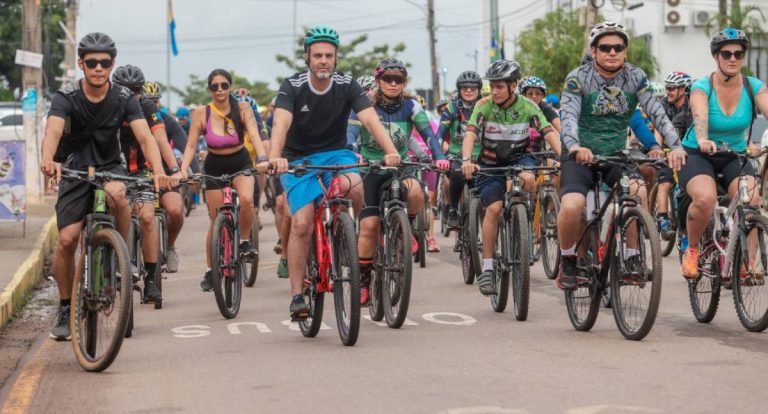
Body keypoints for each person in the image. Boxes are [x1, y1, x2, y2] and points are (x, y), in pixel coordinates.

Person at [40, 32, 173, 340]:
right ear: (81, 64)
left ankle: (119, 252)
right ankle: (64, 307)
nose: (98, 68)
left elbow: (145, 137)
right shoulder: (66, 97)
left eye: (105, 62)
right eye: (92, 62)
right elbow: (52, 133)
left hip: (111, 167)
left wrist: (159, 171)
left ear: (112, 64)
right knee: (67, 240)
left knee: (117, 196)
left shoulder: (124, 98)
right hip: (75, 170)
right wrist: (48, 160)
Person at [269, 26, 401, 320]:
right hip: (297, 158)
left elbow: (370, 120)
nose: (324, 60)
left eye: (329, 55)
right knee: (302, 223)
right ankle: (297, 296)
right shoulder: (292, 85)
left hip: (335, 154)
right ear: (307, 57)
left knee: (354, 185)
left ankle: (346, 236)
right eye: (318, 55)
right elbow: (280, 124)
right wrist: (275, 158)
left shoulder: (347, 84)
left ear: (336, 58)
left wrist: (391, 151)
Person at [556, 21, 686, 289]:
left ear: (625, 52)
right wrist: (574, 146)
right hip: (580, 154)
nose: (612, 52)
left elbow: (657, 113)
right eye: (605, 47)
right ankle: (568, 259)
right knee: (572, 206)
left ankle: (631, 258)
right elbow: (567, 117)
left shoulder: (635, 77)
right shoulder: (577, 78)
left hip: (616, 154)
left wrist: (674, 145)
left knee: (637, 192)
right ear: (594, 51)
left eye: (618, 47)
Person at [347, 58, 448, 303]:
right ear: (378, 80)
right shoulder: (363, 104)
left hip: (400, 168)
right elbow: (350, 132)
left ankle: (407, 230)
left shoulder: (411, 106)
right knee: (369, 226)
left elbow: (429, 134)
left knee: (415, 193)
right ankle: (362, 279)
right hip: (371, 169)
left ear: (404, 83)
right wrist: (352, 151)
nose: (393, 84)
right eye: (387, 79)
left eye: (398, 80)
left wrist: (440, 156)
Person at [461, 59, 561, 295]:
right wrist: (466, 160)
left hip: (521, 158)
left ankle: (520, 226)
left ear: (513, 86)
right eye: (492, 86)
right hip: (490, 162)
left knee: (526, 180)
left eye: (499, 86)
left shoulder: (528, 106)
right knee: (494, 209)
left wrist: (565, 156)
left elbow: (548, 132)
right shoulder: (483, 105)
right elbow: (470, 134)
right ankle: (487, 268)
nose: (493, 91)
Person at [679, 28, 768, 278]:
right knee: (705, 199)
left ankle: (747, 265)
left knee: (751, 202)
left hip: (734, 156)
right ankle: (693, 251)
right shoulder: (702, 86)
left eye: (738, 54)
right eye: (726, 53)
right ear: (716, 57)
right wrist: (704, 138)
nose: (733, 59)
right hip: (699, 153)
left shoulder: (753, 87)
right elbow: (699, 114)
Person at [179, 69, 269, 291]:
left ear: (230, 86)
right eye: (214, 86)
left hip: (240, 162)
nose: (219, 90)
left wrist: (264, 158)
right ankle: (211, 270)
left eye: (224, 85)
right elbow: (191, 145)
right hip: (214, 165)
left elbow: (255, 135)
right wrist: (182, 170)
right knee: (214, 219)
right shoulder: (201, 113)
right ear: (209, 89)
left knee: (247, 200)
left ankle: (245, 242)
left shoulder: (243, 108)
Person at [110, 67, 183, 305]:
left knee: (149, 218)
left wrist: (172, 171)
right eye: (127, 90)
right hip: (110, 171)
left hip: (142, 172)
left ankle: (151, 279)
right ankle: (103, 270)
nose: (132, 94)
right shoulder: (106, 105)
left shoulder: (149, 108)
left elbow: (160, 140)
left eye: (136, 90)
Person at [436, 70, 483, 229]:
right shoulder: (452, 107)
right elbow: (440, 134)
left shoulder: (487, 105)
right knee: (456, 173)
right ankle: (454, 208)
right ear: (459, 90)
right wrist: (438, 153)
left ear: (479, 89)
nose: (469, 90)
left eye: (473, 87)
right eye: (465, 88)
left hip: (482, 156)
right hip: (456, 155)